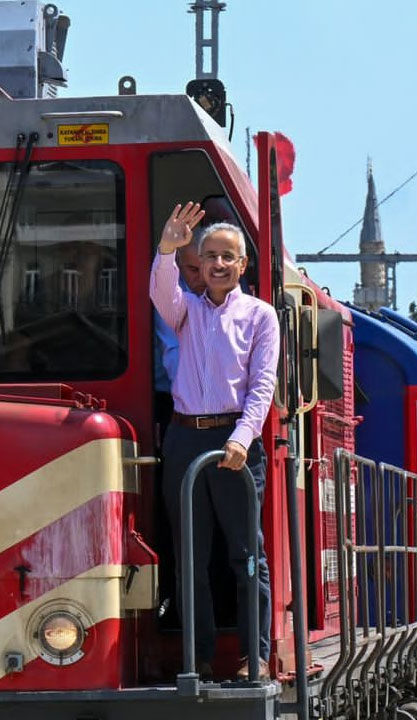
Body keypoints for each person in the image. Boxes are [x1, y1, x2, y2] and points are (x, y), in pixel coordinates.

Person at [151, 201, 278, 681]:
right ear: (199, 266)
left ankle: (255, 656)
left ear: (242, 265)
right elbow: (162, 293)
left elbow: (262, 386)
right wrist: (167, 248)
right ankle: (197, 656)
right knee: (191, 556)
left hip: (235, 440)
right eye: (210, 257)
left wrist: (243, 439)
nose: (219, 265)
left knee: (246, 554)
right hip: (186, 437)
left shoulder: (260, 316)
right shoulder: (186, 313)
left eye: (228, 257)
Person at [152, 241, 206, 427]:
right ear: (179, 264)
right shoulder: (172, 294)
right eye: (193, 270)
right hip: (171, 397)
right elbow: (173, 351)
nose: (202, 278)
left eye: (206, 268)